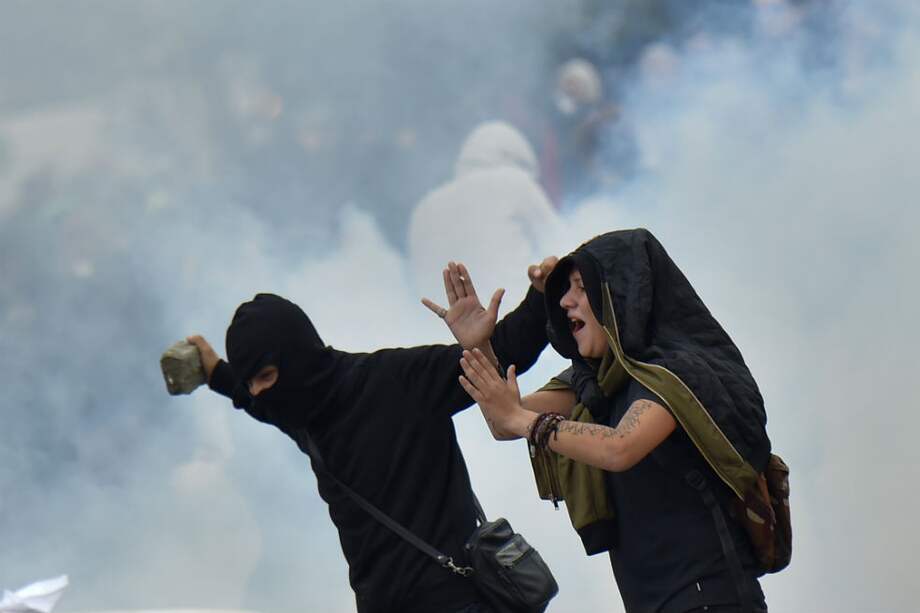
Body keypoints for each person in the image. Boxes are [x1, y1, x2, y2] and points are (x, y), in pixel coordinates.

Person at [185, 258, 556, 613]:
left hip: (456, 602)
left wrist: (543, 294)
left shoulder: (395, 380)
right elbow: (258, 403)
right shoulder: (303, 418)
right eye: (251, 383)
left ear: (296, 356)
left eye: (266, 376)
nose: (260, 392)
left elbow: (503, 353)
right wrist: (215, 372)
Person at [456, 229, 772, 613]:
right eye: (564, 291)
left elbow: (620, 446)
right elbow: (503, 418)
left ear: (621, 294)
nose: (566, 302)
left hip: (710, 599)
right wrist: (478, 345)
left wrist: (526, 422)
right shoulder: (596, 383)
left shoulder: (674, 372)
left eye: (581, 288)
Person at [408, 121, 562, 304]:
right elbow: (560, 246)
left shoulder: (423, 209)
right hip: (514, 310)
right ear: (518, 161)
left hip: (442, 318)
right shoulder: (515, 182)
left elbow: (417, 282)